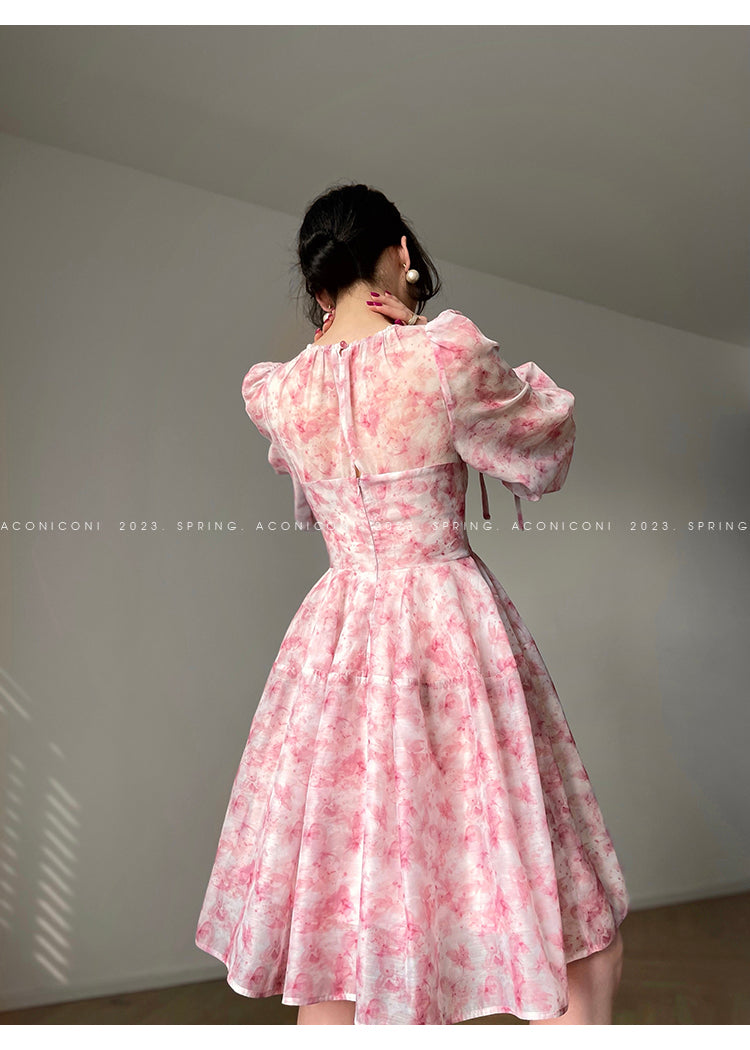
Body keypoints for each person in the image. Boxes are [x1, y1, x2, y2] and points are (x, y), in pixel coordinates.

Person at [195, 182, 629, 1026]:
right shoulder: (442, 355)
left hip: (338, 644)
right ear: (399, 252)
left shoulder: (278, 392)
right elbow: (545, 437)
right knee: (575, 934)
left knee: (338, 953)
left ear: (318, 280)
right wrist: (425, 329)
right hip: (448, 628)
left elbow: (319, 476)